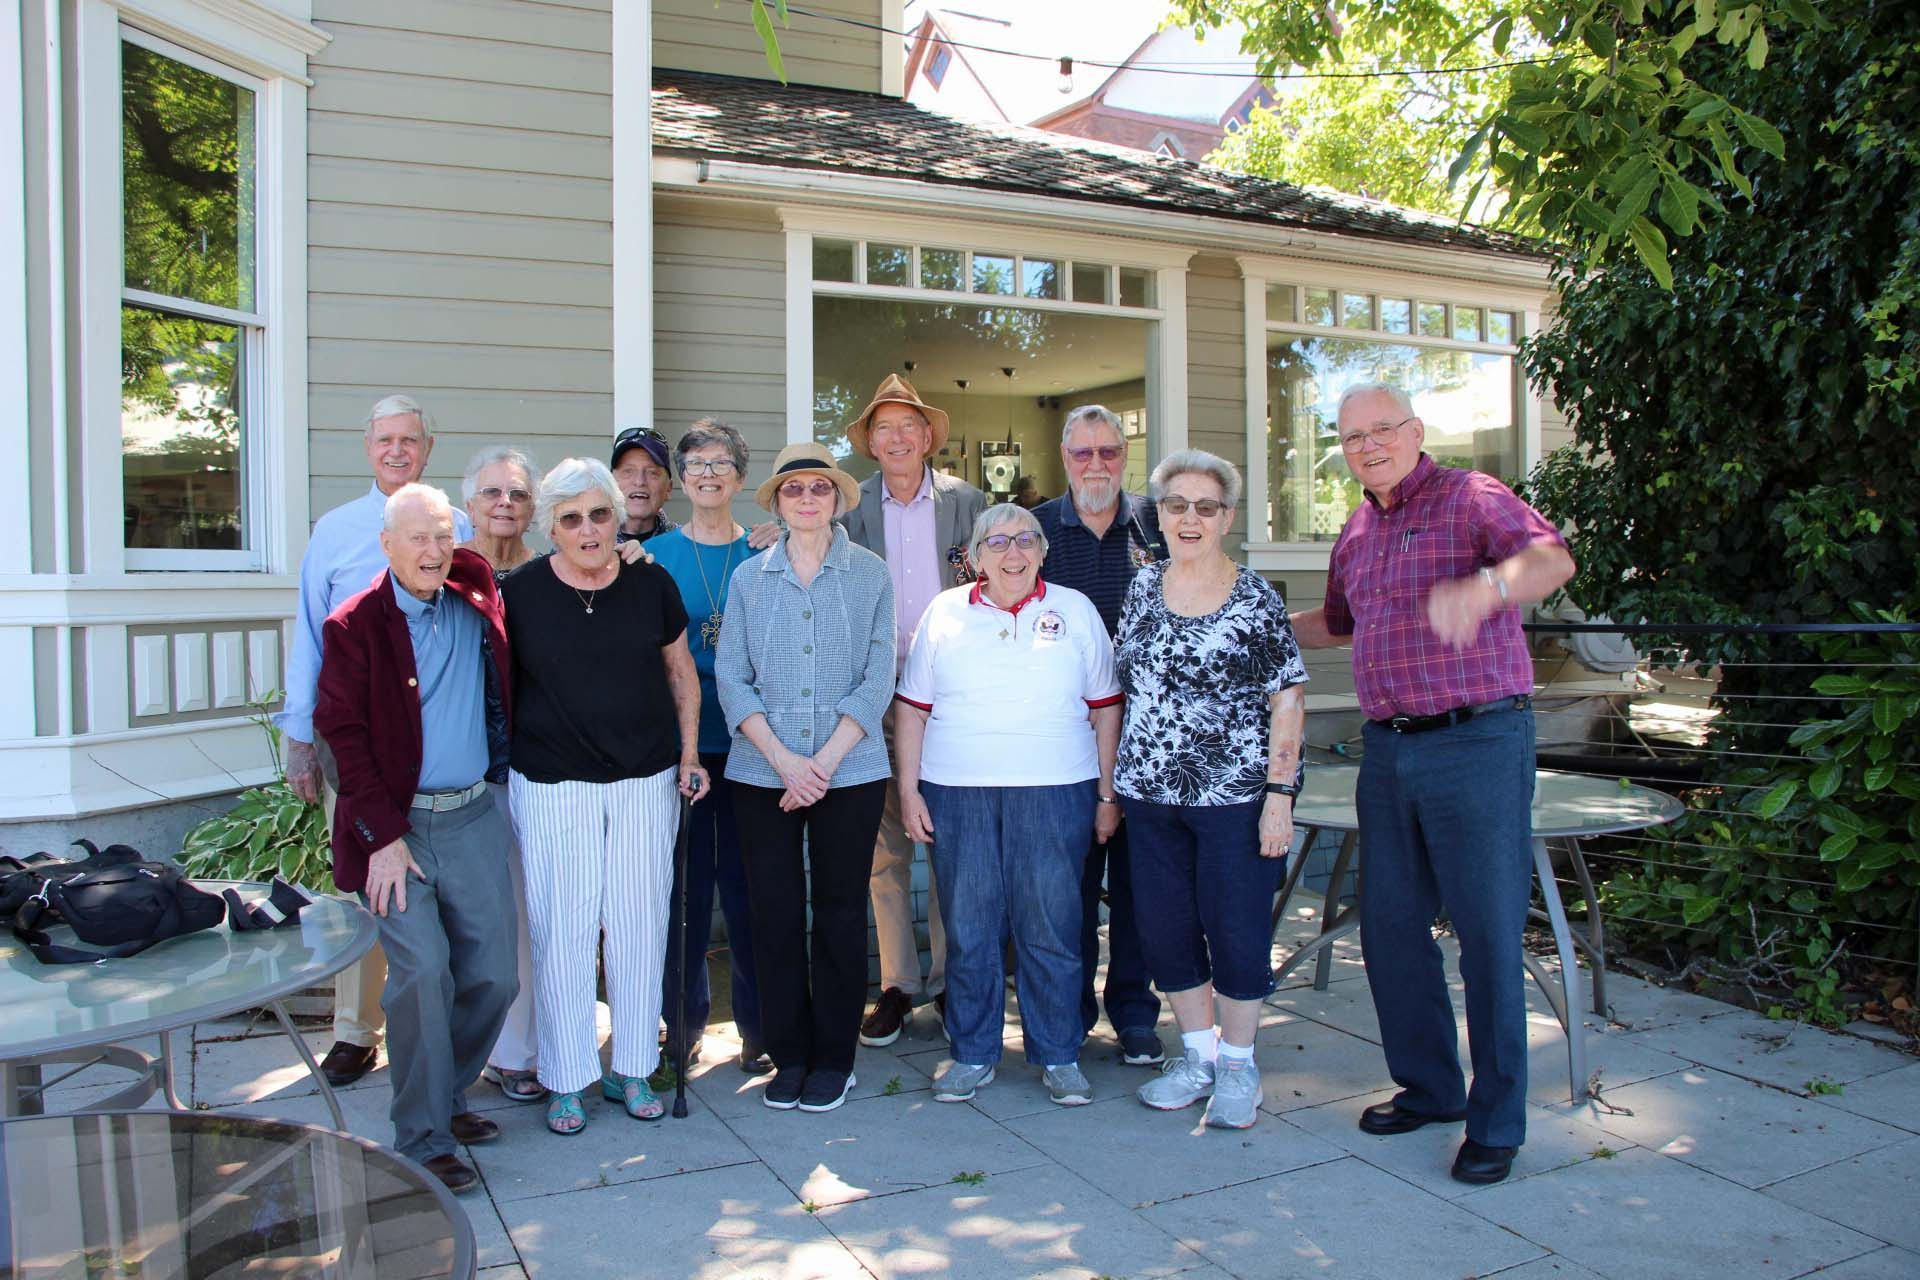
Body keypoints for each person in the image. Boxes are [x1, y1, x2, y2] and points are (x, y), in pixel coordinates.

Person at [1289, 382, 1574, 1186]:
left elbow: (1550, 559)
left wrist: (1486, 589)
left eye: (1382, 429)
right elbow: (1339, 624)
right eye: (1351, 437)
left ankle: (1497, 1122)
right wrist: (1252, 617)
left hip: (1478, 740)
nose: (1368, 445)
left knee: (1486, 937)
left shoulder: (1471, 496)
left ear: (1415, 431)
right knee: (1388, 928)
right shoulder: (1355, 530)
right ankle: (1431, 1087)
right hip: (1389, 749)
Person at [313, 483, 516, 1193]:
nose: (432, 550)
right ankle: (422, 1135)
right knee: (424, 972)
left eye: (442, 535)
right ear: (387, 546)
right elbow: (341, 735)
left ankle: (447, 1094)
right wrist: (381, 836)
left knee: (495, 971)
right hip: (396, 830)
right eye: (417, 537)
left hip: (472, 818)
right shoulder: (354, 624)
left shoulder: (474, 590)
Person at [501, 458, 709, 1136]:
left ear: (618, 516)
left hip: (646, 779)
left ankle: (634, 1067)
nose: (587, 530)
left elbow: (682, 675)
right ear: (550, 528)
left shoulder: (651, 584)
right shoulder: (521, 593)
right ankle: (565, 1078)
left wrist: (687, 754)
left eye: (598, 514)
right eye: (570, 519)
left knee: (639, 924)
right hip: (553, 784)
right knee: (562, 929)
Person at [894, 504, 1121, 1108]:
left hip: (1056, 791)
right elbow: (912, 710)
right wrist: (909, 789)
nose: (1012, 553)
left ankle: (1059, 1053)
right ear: (974, 555)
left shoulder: (1074, 610)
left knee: (1050, 925)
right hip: (956, 791)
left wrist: (1106, 794)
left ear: (1043, 551)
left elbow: (1105, 707)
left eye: (1025, 540)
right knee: (970, 927)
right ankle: (972, 1053)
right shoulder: (945, 612)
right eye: (996, 542)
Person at [280, 394, 472, 1090]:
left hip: (441, 742)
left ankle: (435, 1029)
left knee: (438, 897)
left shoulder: (460, 526)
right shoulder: (336, 531)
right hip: (353, 737)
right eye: (385, 439)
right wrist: (299, 737)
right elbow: (306, 631)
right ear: (368, 447)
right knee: (373, 881)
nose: (398, 450)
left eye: (410, 440)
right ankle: (356, 1032)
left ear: (428, 448)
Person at [1115, 449, 1307, 1131]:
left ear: (1227, 517)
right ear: (1158, 516)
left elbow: (1288, 699)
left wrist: (1280, 794)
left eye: (1206, 506)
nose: (1189, 518)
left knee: (1237, 931)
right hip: (1149, 796)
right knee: (1165, 930)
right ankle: (1196, 1056)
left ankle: (1238, 1065)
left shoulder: (1254, 597)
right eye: (1176, 505)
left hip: (1234, 798)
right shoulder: (1140, 588)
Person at [716, 442, 894, 1113]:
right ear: (778, 503)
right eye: (795, 491)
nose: (809, 499)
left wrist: (823, 761)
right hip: (765, 772)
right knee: (774, 913)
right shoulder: (748, 580)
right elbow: (732, 676)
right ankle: (789, 1054)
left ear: (837, 498)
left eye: (821, 489)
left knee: (843, 913)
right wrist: (786, 761)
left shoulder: (870, 574)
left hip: (850, 771)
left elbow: (878, 676)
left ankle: (834, 1057)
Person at [839, 374, 987, 1047]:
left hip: (953, 697)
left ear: (929, 437)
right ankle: (898, 983)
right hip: (877, 695)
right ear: (870, 442)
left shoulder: (969, 504)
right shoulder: (848, 510)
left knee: (954, 844)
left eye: (909, 425)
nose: (897, 437)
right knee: (884, 849)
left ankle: (955, 980)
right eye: (884, 427)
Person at [1032, 405, 1170, 1068]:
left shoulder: (1160, 525)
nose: (1096, 465)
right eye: (1083, 453)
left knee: (1142, 887)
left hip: (1148, 740)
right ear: (1065, 458)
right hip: (1060, 743)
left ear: (1125, 455)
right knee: (1068, 890)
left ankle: (1135, 1013)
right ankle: (1071, 1013)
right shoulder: (1030, 533)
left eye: (1109, 452)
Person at [647, 420, 768, 1076]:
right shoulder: (656, 556)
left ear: (740, 478)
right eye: (696, 464)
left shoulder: (765, 551)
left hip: (754, 750)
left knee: (751, 893)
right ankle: (683, 1027)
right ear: (682, 478)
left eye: (722, 463)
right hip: (683, 749)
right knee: (685, 896)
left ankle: (758, 1029)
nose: (709, 473)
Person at [456, 446, 546, 1104]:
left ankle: (527, 1051)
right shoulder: (447, 573)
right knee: (475, 919)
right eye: (491, 493)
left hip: (539, 765)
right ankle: (473, 1051)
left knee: (532, 911)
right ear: (469, 504)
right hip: (464, 771)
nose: (504, 504)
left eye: (516, 494)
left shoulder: (552, 574)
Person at [612, 427, 677, 543]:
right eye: (628, 471)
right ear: (611, 484)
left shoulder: (686, 546)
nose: (639, 481)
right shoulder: (592, 543)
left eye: (652, 473)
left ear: (669, 488)